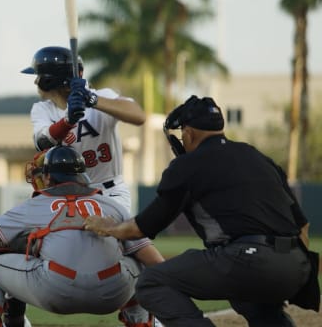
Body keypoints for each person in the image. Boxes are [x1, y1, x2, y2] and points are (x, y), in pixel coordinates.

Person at [84, 95, 319, 327]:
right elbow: (303, 226)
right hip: (297, 265)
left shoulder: (187, 165)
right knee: (247, 294)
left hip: (249, 260)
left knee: (152, 282)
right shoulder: (256, 155)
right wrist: (282, 265)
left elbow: (141, 228)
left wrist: (110, 227)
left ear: (188, 133)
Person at [0, 145, 165, 327]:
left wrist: (15, 243)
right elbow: (155, 261)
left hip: (55, 291)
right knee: (139, 259)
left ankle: (9, 323)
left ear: (49, 178)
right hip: (113, 293)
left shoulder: (35, 205)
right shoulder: (112, 205)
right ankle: (144, 324)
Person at [21, 46, 146, 209]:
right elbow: (43, 141)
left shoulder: (103, 97)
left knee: (108, 233)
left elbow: (138, 116)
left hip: (109, 191)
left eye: (39, 76)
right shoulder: (42, 109)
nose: (36, 81)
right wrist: (68, 121)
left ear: (50, 80)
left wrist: (92, 100)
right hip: (67, 194)